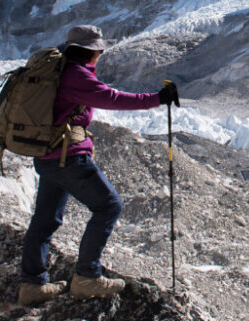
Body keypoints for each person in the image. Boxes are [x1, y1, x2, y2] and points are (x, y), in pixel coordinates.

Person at [18, 25, 179, 306]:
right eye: (99, 50)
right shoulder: (76, 76)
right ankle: (87, 276)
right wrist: (156, 99)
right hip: (69, 158)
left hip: (47, 156)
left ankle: (32, 285)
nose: (101, 54)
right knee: (109, 205)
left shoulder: (60, 71)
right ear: (92, 52)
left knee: (45, 221)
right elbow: (112, 98)